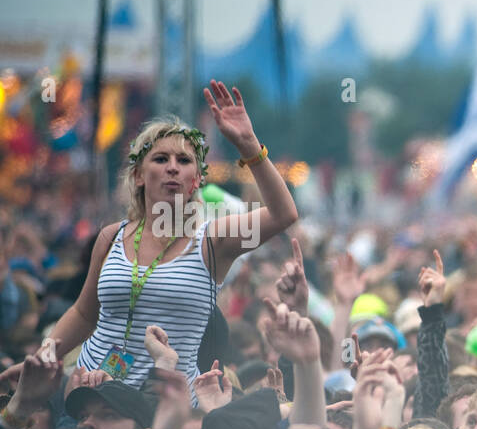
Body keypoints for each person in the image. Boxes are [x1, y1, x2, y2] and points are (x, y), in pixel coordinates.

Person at [38, 82, 297, 395]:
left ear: (197, 180)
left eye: (184, 161)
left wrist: (248, 144)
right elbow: (83, 313)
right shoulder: (111, 236)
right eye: (160, 159)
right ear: (138, 175)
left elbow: (283, 214)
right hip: (92, 395)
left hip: (168, 403)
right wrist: (42, 358)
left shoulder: (212, 241)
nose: (173, 167)